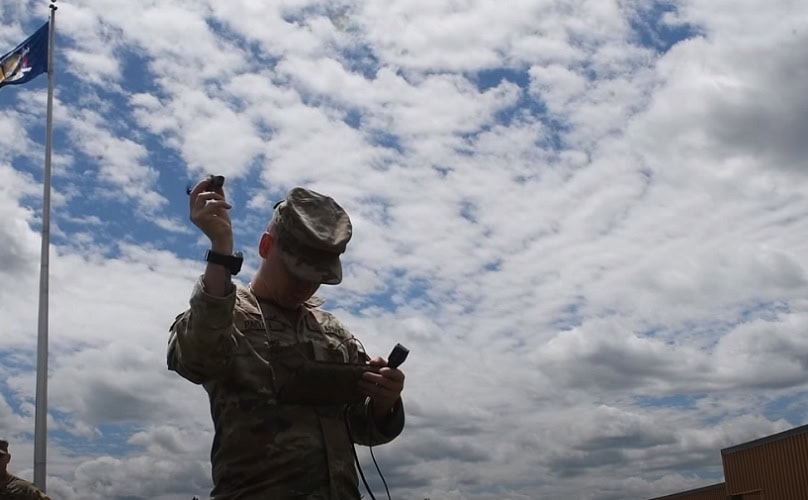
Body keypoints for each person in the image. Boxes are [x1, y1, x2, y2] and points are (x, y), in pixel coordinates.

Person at [167, 177, 406, 499]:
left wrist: (383, 401)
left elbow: (360, 428)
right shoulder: (228, 313)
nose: (306, 286)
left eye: (318, 277)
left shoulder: (334, 333)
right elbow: (195, 358)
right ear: (266, 247)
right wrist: (221, 248)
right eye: (297, 272)